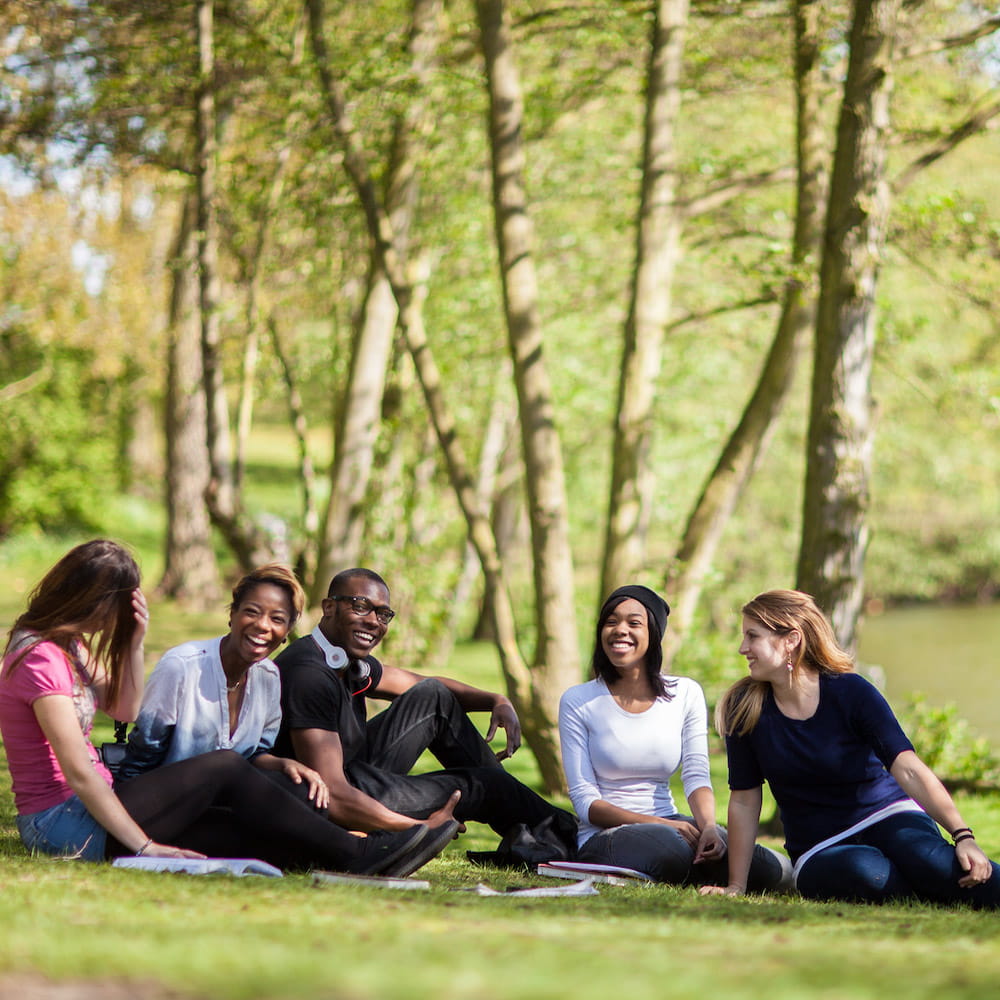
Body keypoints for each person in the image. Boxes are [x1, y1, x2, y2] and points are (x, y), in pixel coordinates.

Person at [0, 540, 455, 876]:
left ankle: (369, 857)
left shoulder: (70, 647)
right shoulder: (39, 659)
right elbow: (79, 772)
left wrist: (136, 641)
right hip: (63, 823)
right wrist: (144, 847)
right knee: (223, 766)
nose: (118, 619)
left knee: (257, 840)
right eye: (118, 607)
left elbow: (123, 709)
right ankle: (366, 853)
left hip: (99, 807)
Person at [702, 588, 1000, 907]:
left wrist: (962, 836)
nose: (741, 648)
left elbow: (908, 768)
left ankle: (936, 879)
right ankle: (927, 886)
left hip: (888, 815)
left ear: (791, 640)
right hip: (819, 847)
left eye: (752, 636)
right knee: (865, 872)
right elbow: (745, 800)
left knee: (929, 861)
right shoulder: (744, 708)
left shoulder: (851, 692)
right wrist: (736, 885)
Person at [272, 567, 578, 854]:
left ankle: (533, 832)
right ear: (328, 607)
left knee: (433, 695)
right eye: (361, 606)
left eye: (383, 614)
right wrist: (419, 827)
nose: (373, 621)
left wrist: (495, 700)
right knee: (486, 786)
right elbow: (333, 795)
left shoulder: (344, 661)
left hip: (358, 776)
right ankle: (578, 838)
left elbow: (421, 684)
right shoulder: (309, 673)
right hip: (343, 800)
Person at [559, 584, 790, 890]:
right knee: (672, 847)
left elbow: (696, 774)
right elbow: (586, 803)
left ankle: (706, 863)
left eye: (633, 623)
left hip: (673, 824)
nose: (619, 630)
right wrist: (667, 825)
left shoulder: (685, 693)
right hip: (605, 836)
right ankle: (698, 865)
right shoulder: (578, 700)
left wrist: (707, 826)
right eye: (610, 622)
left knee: (768, 868)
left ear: (654, 633)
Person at [118, 563, 328, 811]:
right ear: (232, 614)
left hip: (218, 805)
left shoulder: (268, 677)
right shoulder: (182, 666)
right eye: (252, 611)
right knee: (226, 763)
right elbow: (142, 756)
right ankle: (361, 848)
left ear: (286, 633)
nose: (263, 625)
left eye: (277, 619)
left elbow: (253, 756)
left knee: (305, 794)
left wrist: (284, 764)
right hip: (159, 806)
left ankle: (362, 845)